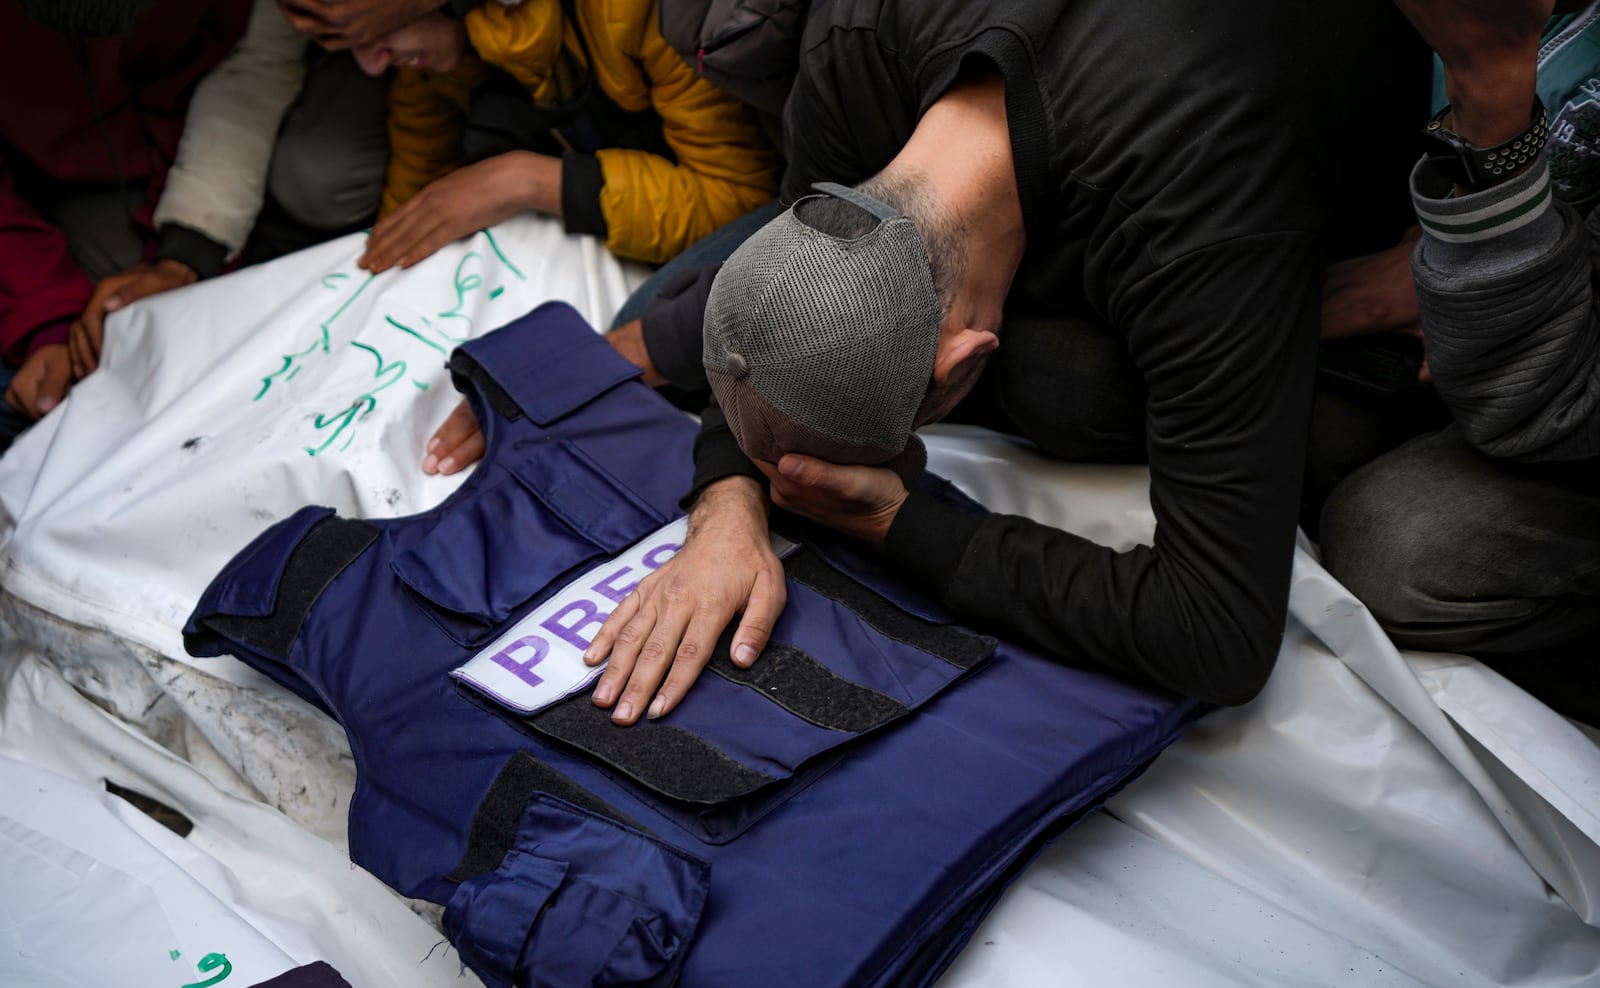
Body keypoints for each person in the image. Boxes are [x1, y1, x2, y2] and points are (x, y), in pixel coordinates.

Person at [415, 0, 1427, 721]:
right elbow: (763, 316)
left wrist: (901, 519)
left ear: (961, 360)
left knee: (1071, 386)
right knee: (668, 317)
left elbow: (1216, 632)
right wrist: (724, 504)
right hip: (1096, 116)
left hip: (1257, 157)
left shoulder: (1196, 227)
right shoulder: (853, 50)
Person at [1320, 0, 1600, 718]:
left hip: (1562, 395)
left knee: (1397, 543)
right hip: (1503, 307)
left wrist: (1490, 80)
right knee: (1092, 383)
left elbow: (1542, 406)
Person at [0, 0, 306, 437]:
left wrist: (189, 249)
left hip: (187, 126)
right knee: (103, 352)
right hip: (58, 159)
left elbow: (253, 66)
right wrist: (43, 318)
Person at [343, 0, 779, 275]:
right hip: (595, 234)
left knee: (632, 328)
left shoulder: (638, 12)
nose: (371, 65)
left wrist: (528, 181)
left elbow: (740, 202)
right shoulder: (427, 66)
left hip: (754, 238)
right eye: (345, 43)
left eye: (377, 30)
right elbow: (412, 201)